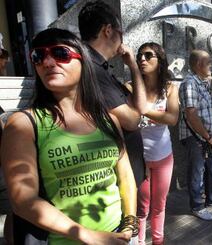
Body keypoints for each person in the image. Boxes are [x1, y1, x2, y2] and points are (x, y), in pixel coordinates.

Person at [1, 28, 137, 244]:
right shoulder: (23, 125)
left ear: (83, 63)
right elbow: (23, 201)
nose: (47, 62)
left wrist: (130, 224)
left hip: (116, 236)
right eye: (38, 56)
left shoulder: (108, 119)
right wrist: (90, 237)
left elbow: (125, 176)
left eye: (60, 54)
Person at [78, 1, 147, 188]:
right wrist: (135, 113)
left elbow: (141, 107)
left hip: (123, 175)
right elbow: (132, 121)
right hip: (113, 181)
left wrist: (133, 65)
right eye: (121, 33)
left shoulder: (101, 67)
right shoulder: (90, 68)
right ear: (108, 30)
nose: (122, 39)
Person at [134, 42, 179, 245]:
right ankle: (140, 241)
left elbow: (172, 119)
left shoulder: (170, 88)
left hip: (163, 157)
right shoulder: (131, 87)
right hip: (139, 158)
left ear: (159, 60)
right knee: (141, 206)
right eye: (139, 56)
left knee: (159, 206)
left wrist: (143, 109)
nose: (142, 59)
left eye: (148, 55)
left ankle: (158, 242)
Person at [179, 49, 212, 221]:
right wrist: (208, 136)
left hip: (208, 137)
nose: (211, 66)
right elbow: (191, 114)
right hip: (197, 137)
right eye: (209, 63)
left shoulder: (203, 83)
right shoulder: (190, 83)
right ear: (199, 64)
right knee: (197, 173)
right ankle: (197, 206)